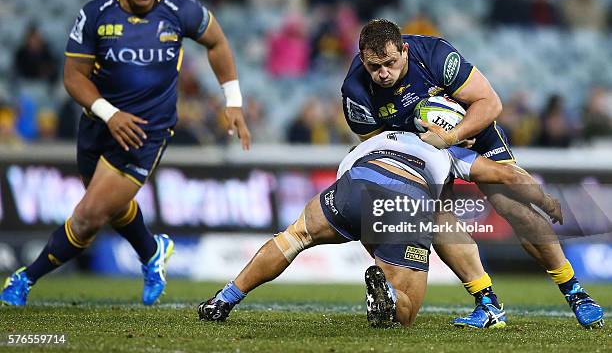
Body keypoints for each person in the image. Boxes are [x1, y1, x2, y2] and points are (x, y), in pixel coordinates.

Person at [0, 0, 250, 307]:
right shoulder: (97, 14)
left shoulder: (180, 9)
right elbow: (73, 76)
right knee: (112, 207)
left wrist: (233, 101)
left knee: (88, 215)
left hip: (146, 133)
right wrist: (109, 114)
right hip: (98, 125)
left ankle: (24, 278)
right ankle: (152, 251)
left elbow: (217, 42)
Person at [341, 19, 604, 328]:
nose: (383, 73)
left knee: (513, 207)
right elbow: (382, 145)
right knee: (435, 216)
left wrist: (454, 135)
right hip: (421, 148)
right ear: (362, 59)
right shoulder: (355, 91)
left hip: (472, 134)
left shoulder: (435, 55)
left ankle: (575, 292)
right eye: (374, 67)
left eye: (390, 63)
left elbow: (490, 103)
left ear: (405, 50)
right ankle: (488, 303)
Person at [198, 130, 561, 327]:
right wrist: (545, 201)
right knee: (406, 314)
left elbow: (348, 162)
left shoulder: (379, 134)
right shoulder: (451, 149)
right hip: (405, 196)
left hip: (353, 183)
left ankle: (226, 297)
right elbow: (507, 174)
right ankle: (388, 295)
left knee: (294, 237)